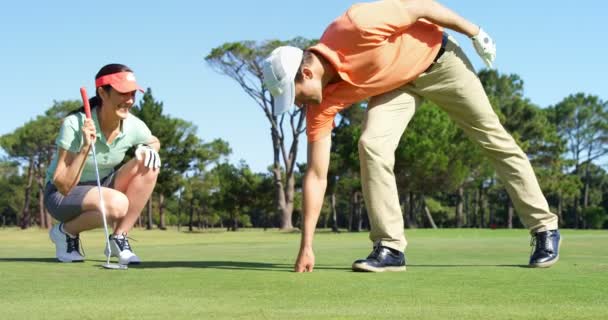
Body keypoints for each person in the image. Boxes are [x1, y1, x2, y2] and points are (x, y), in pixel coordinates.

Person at [262, 0, 560, 272]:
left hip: (439, 61)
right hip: (396, 85)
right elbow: (316, 175)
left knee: (492, 138)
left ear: (308, 74)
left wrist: (475, 32)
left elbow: (421, 7)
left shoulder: (356, 24)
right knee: (372, 144)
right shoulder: (320, 104)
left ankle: (544, 228)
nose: (297, 104)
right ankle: (390, 247)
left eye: (295, 95)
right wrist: (307, 247)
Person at [45, 63, 161, 264]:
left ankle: (118, 238)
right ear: (103, 93)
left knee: (149, 163)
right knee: (117, 204)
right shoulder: (74, 124)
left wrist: (148, 149)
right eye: (123, 93)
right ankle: (64, 232)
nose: (130, 100)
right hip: (61, 197)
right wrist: (84, 149)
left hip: (102, 188)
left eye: (133, 94)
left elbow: (153, 141)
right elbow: (62, 185)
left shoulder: (133, 125)